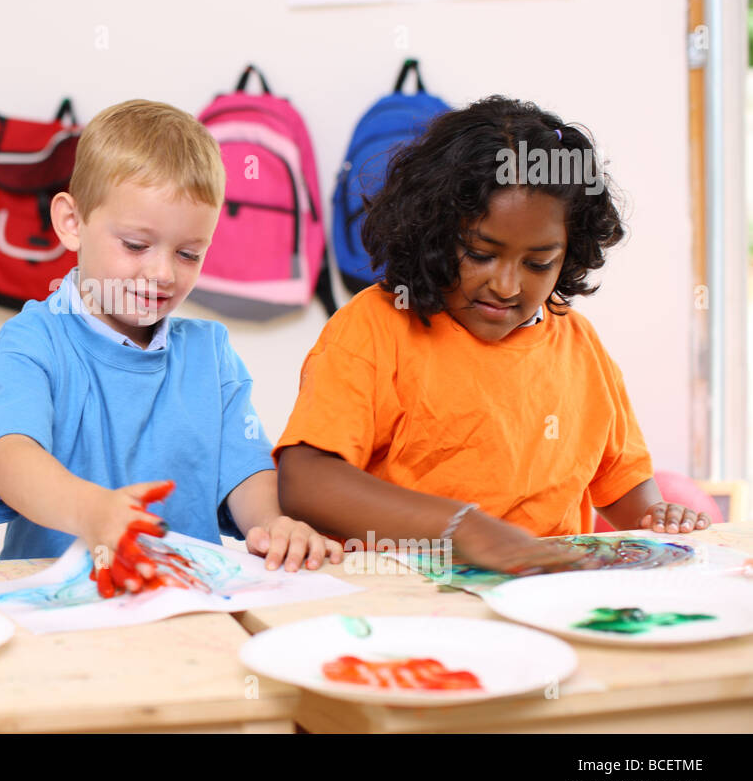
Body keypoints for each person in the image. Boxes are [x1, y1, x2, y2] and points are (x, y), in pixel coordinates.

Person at [276, 96, 709, 574]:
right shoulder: (375, 326)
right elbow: (306, 481)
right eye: (481, 254)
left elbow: (623, 488)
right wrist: (462, 528)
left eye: (538, 263)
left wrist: (657, 517)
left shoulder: (579, 344)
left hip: (544, 602)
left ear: (570, 254)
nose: (506, 286)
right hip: (400, 601)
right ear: (435, 233)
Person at [0, 99, 341, 587]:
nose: (163, 273)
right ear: (72, 222)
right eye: (137, 245)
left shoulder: (211, 352)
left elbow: (246, 473)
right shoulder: (31, 341)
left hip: (185, 603)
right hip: (61, 605)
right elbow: (14, 461)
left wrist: (273, 524)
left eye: (188, 254)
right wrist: (94, 512)